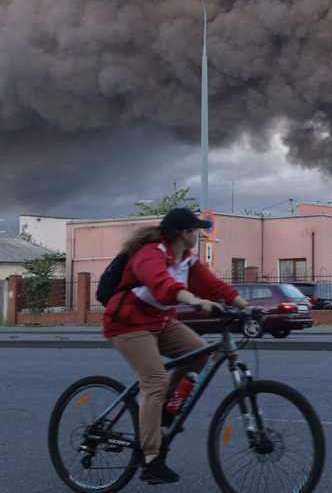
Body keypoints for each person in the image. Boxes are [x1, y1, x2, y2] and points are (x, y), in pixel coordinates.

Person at [103, 207, 251, 485]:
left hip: (160, 321)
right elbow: (162, 285)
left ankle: (164, 412)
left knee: (201, 356)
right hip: (128, 323)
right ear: (184, 233)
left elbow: (216, 286)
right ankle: (151, 459)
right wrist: (195, 301)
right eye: (196, 229)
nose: (199, 233)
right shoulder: (149, 253)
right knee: (155, 382)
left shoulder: (187, 260)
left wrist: (248, 307)